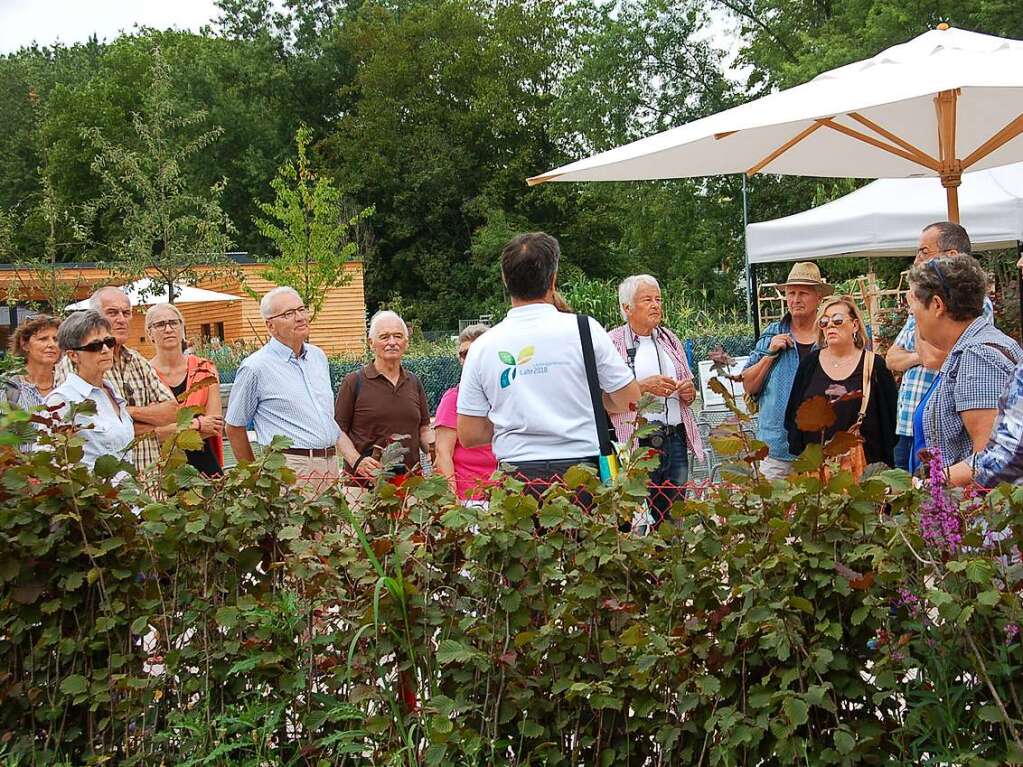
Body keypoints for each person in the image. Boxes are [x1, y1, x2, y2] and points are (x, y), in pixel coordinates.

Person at [457, 232, 640, 485]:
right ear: (553, 280)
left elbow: (469, 434)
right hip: (583, 475)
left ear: (504, 280)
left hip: (515, 479)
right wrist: (593, 402)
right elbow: (630, 400)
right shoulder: (584, 330)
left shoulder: (482, 347)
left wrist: (511, 420)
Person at [905, 255, 1022, 482]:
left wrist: (927, 486)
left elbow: (992, 459)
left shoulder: (978, 357)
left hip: (976, 512)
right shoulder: (981, 346)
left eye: (915, 304)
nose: (912, 313)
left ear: (937, 305)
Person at [886, 222, 993, 470]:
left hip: (943, 425)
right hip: (911, 420)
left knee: (934, 495)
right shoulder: (927, 304)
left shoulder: (976, 306)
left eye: (924, 251)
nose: (916, 260)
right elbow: (892, 358)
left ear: (952, 256)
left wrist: (917, 347)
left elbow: (942, 357)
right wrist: (920, 354)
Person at [225, 286, 341, 495]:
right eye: (289, 314)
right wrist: (255, 477)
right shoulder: (255, 368)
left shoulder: (318, 357)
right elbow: (234, 427)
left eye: (301, 309)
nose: (300, 317)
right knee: (294, 528)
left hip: (330, 465)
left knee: (334, 528)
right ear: (270, 326)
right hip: (289, 469)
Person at [608, 275, 704, 524]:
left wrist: (688, 392)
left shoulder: (669, 339)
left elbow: (690, 388)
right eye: (647, 299)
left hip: (675, 438)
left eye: (658, 299)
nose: (656, 305)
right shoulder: (612, 343)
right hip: (637, 443)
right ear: (626, 307)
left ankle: (675, 558)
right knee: (638, 518)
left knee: (675, 517)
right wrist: (641, 387)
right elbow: (604, 396)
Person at [54, 286, 177, 475]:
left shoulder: (137, 360)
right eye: (112, 313)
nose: (121, 319)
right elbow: (87, 434)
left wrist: (126, 412)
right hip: (104, 491)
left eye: (126, 313)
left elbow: (172, 411)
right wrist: (151, 419)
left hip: (148, 483)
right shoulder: (75, 365)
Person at [741, 262, 831, 479]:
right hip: (776, 450)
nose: (795, 299)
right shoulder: (773, 333)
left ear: (818, 297)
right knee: (770, 511)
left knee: (817, 511)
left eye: (803, 293)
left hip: (820, 449)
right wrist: (770, 354)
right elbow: (748, 383)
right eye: (791, 293)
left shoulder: (830, 336)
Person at [785, 296, 898, 467]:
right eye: (824, 321)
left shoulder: (874, 365)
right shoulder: (809, 364)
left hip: (863, 469)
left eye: (837, 320)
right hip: (817, 470)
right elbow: (793, 416)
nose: (830, 325)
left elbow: (891, 421)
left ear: (854, 325)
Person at [334, 310, 433, 478]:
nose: (392, 342)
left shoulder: (414, 382)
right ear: (371, 343)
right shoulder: (354, 382)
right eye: (385, 337)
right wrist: (357, 461)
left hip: (409, 485)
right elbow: (337, 431)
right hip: (364, 486)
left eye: (398, 336)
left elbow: (424, 429)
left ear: (406, 342)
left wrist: (438, 448)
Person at [44, 311, 134, 473]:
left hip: (129, 494)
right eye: (95, 346)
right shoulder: (63, 400)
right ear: (73, 356)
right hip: (94, 496)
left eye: (109, 341)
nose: (106, 349)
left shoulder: (111, 392)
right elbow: (49, 461)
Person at [145, 304, 224, 476]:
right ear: (149, 333)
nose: (168, 329)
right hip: (162, 469)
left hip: (205, 467)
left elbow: (214, 426)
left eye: (174, 323)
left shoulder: (205, 370)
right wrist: (198, 424)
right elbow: (146, 436)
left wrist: (168, 431)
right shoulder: (143, 375)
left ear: (182, 328)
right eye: (160, 324)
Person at [434, 324, 497, 502]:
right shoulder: (453, 399)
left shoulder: (503, 395)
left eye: (475, 352)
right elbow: (442, 453)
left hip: (503, 496)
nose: (468, 358)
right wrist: (453, 502)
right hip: (468, 498)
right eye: (463, 354)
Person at [3, 315, 62, 410]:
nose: (52, 344)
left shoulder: (68, 386)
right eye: (43, 339)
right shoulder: (8, 390)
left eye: (56, 339)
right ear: (24, 344)